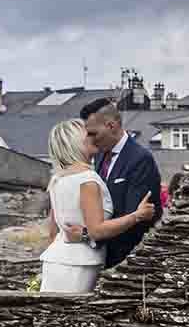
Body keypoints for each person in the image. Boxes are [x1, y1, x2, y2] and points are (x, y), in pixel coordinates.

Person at [40, 119, 155, 293]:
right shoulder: (87, 180)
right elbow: (96, 230)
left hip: (56, 259)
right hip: (78, 263)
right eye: (89, 134)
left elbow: (53, 231)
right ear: (76, 144)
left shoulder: (58, 179)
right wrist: (137, 215)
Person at [63, 98, 163, 269]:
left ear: (111, 126)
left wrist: (88, 235)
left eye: (94, 133)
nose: (90, 140)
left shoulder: (140, 159)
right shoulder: (100, 154)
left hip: (125, 262)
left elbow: (135, 219)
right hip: (97, 257)